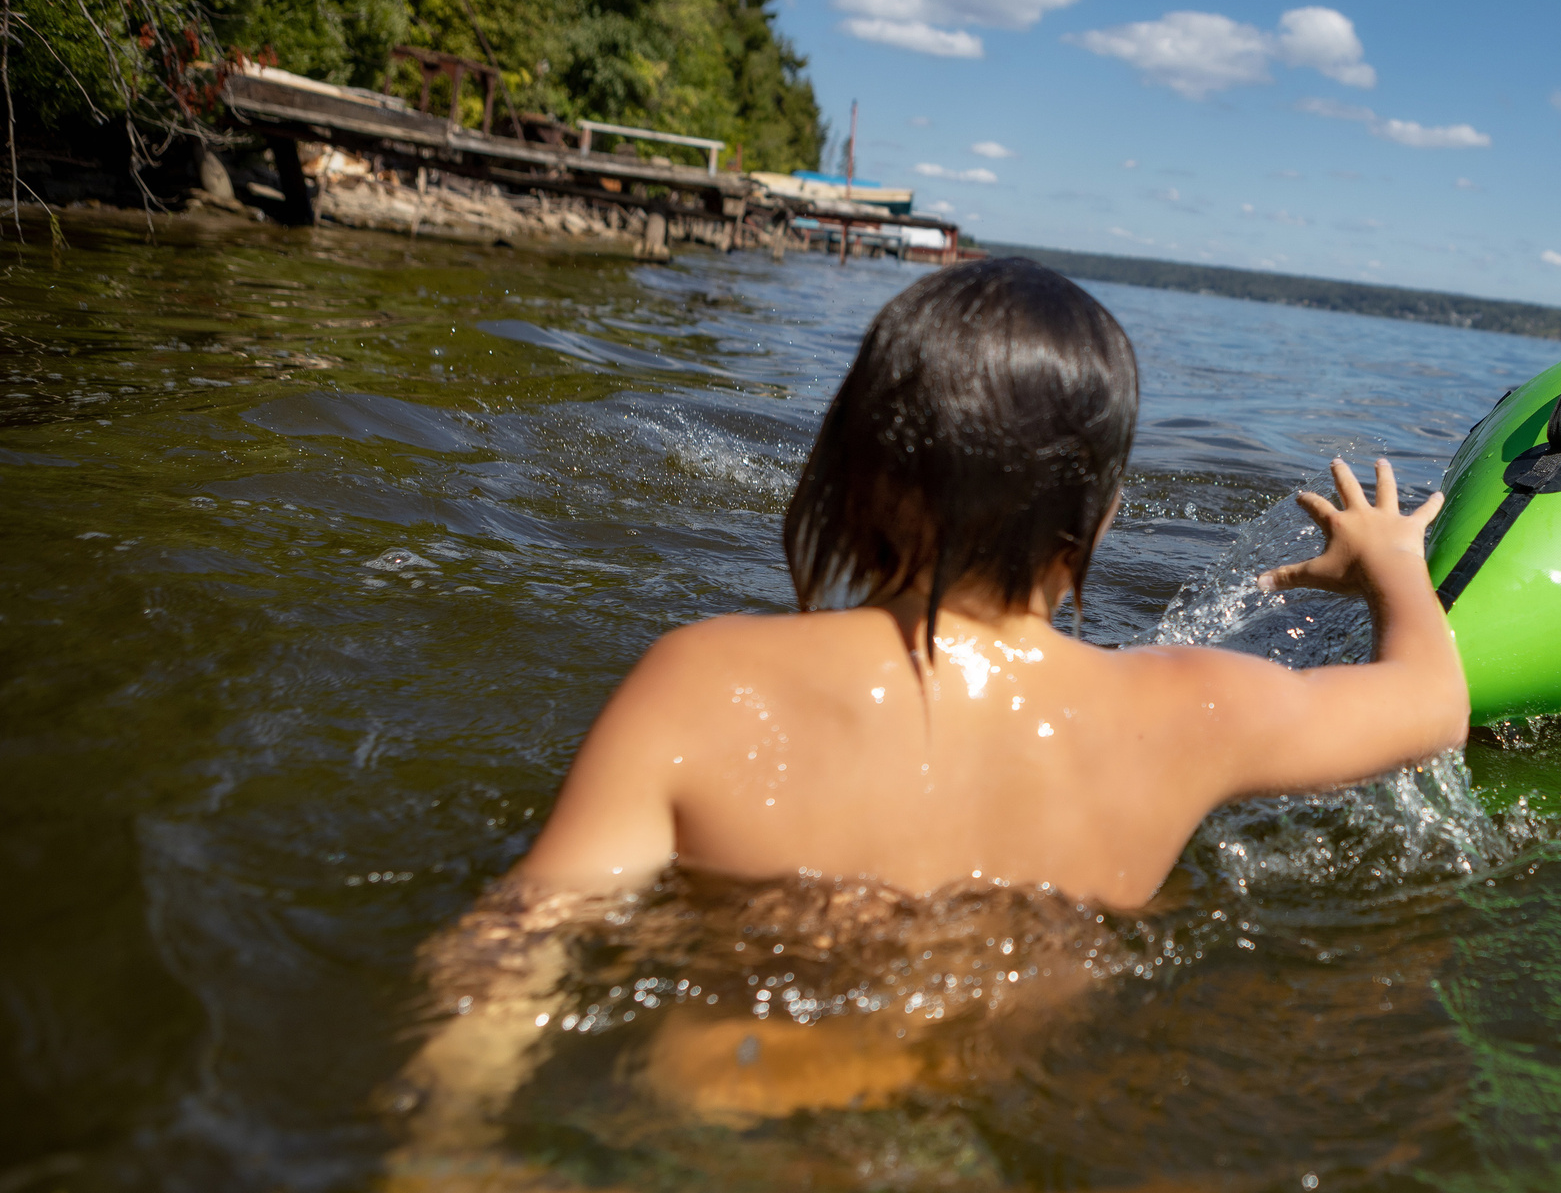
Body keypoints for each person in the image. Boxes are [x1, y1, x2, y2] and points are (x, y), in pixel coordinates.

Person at [511, 254, 1470, 916]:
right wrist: (1389, 562)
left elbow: (513, 953)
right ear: (1103, 512)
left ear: (852, 472)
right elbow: (1435, 703)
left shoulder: (703, 682)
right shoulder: (1191, 710)